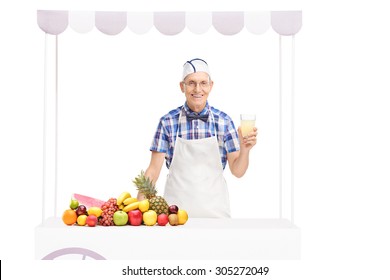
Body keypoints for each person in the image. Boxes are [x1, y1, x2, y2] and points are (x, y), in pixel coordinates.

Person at [138, 58, 257, 218]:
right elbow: (153, 171)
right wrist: (138, 209)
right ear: (182, 86)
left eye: (203, 83)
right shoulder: (167, 122)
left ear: (211, 86)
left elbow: (237, 171)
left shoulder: (224, 122)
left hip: (217, 215)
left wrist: (245, 150)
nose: (198, 89)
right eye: (191, 83)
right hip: (175, 217)